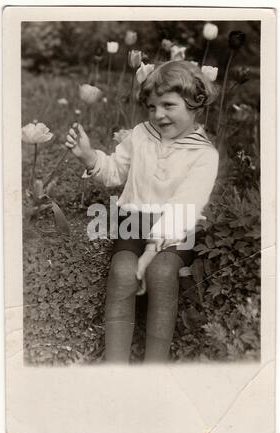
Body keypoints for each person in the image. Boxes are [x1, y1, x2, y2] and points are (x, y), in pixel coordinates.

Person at [65, 60, 219, 363]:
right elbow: (114, 172)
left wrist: (149, 254)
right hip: (134, 222)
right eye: (151, 107)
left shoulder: (204, 154)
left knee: (161, 272)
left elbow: (184, 206)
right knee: (123, 270)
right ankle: (116, 365)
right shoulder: (140, 135)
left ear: (195, 104)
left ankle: (155, 366)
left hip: (177, 229)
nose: (158, 114)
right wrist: (88, 156)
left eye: (168, 105)